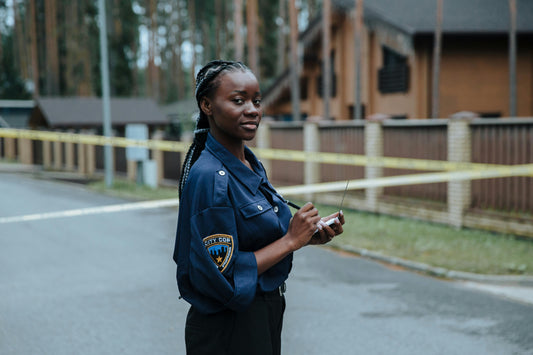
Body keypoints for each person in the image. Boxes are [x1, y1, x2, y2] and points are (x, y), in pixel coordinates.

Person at [173, 59, 345, 355]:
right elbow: (222, 274)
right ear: (207, 106)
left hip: (263, 313)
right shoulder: (211, 177)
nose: (252, 109)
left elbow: (254, 240)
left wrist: (304, 237)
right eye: (238, 100)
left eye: (256, 100)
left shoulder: (249, 164)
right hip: (230, 326)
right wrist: (290, 241)